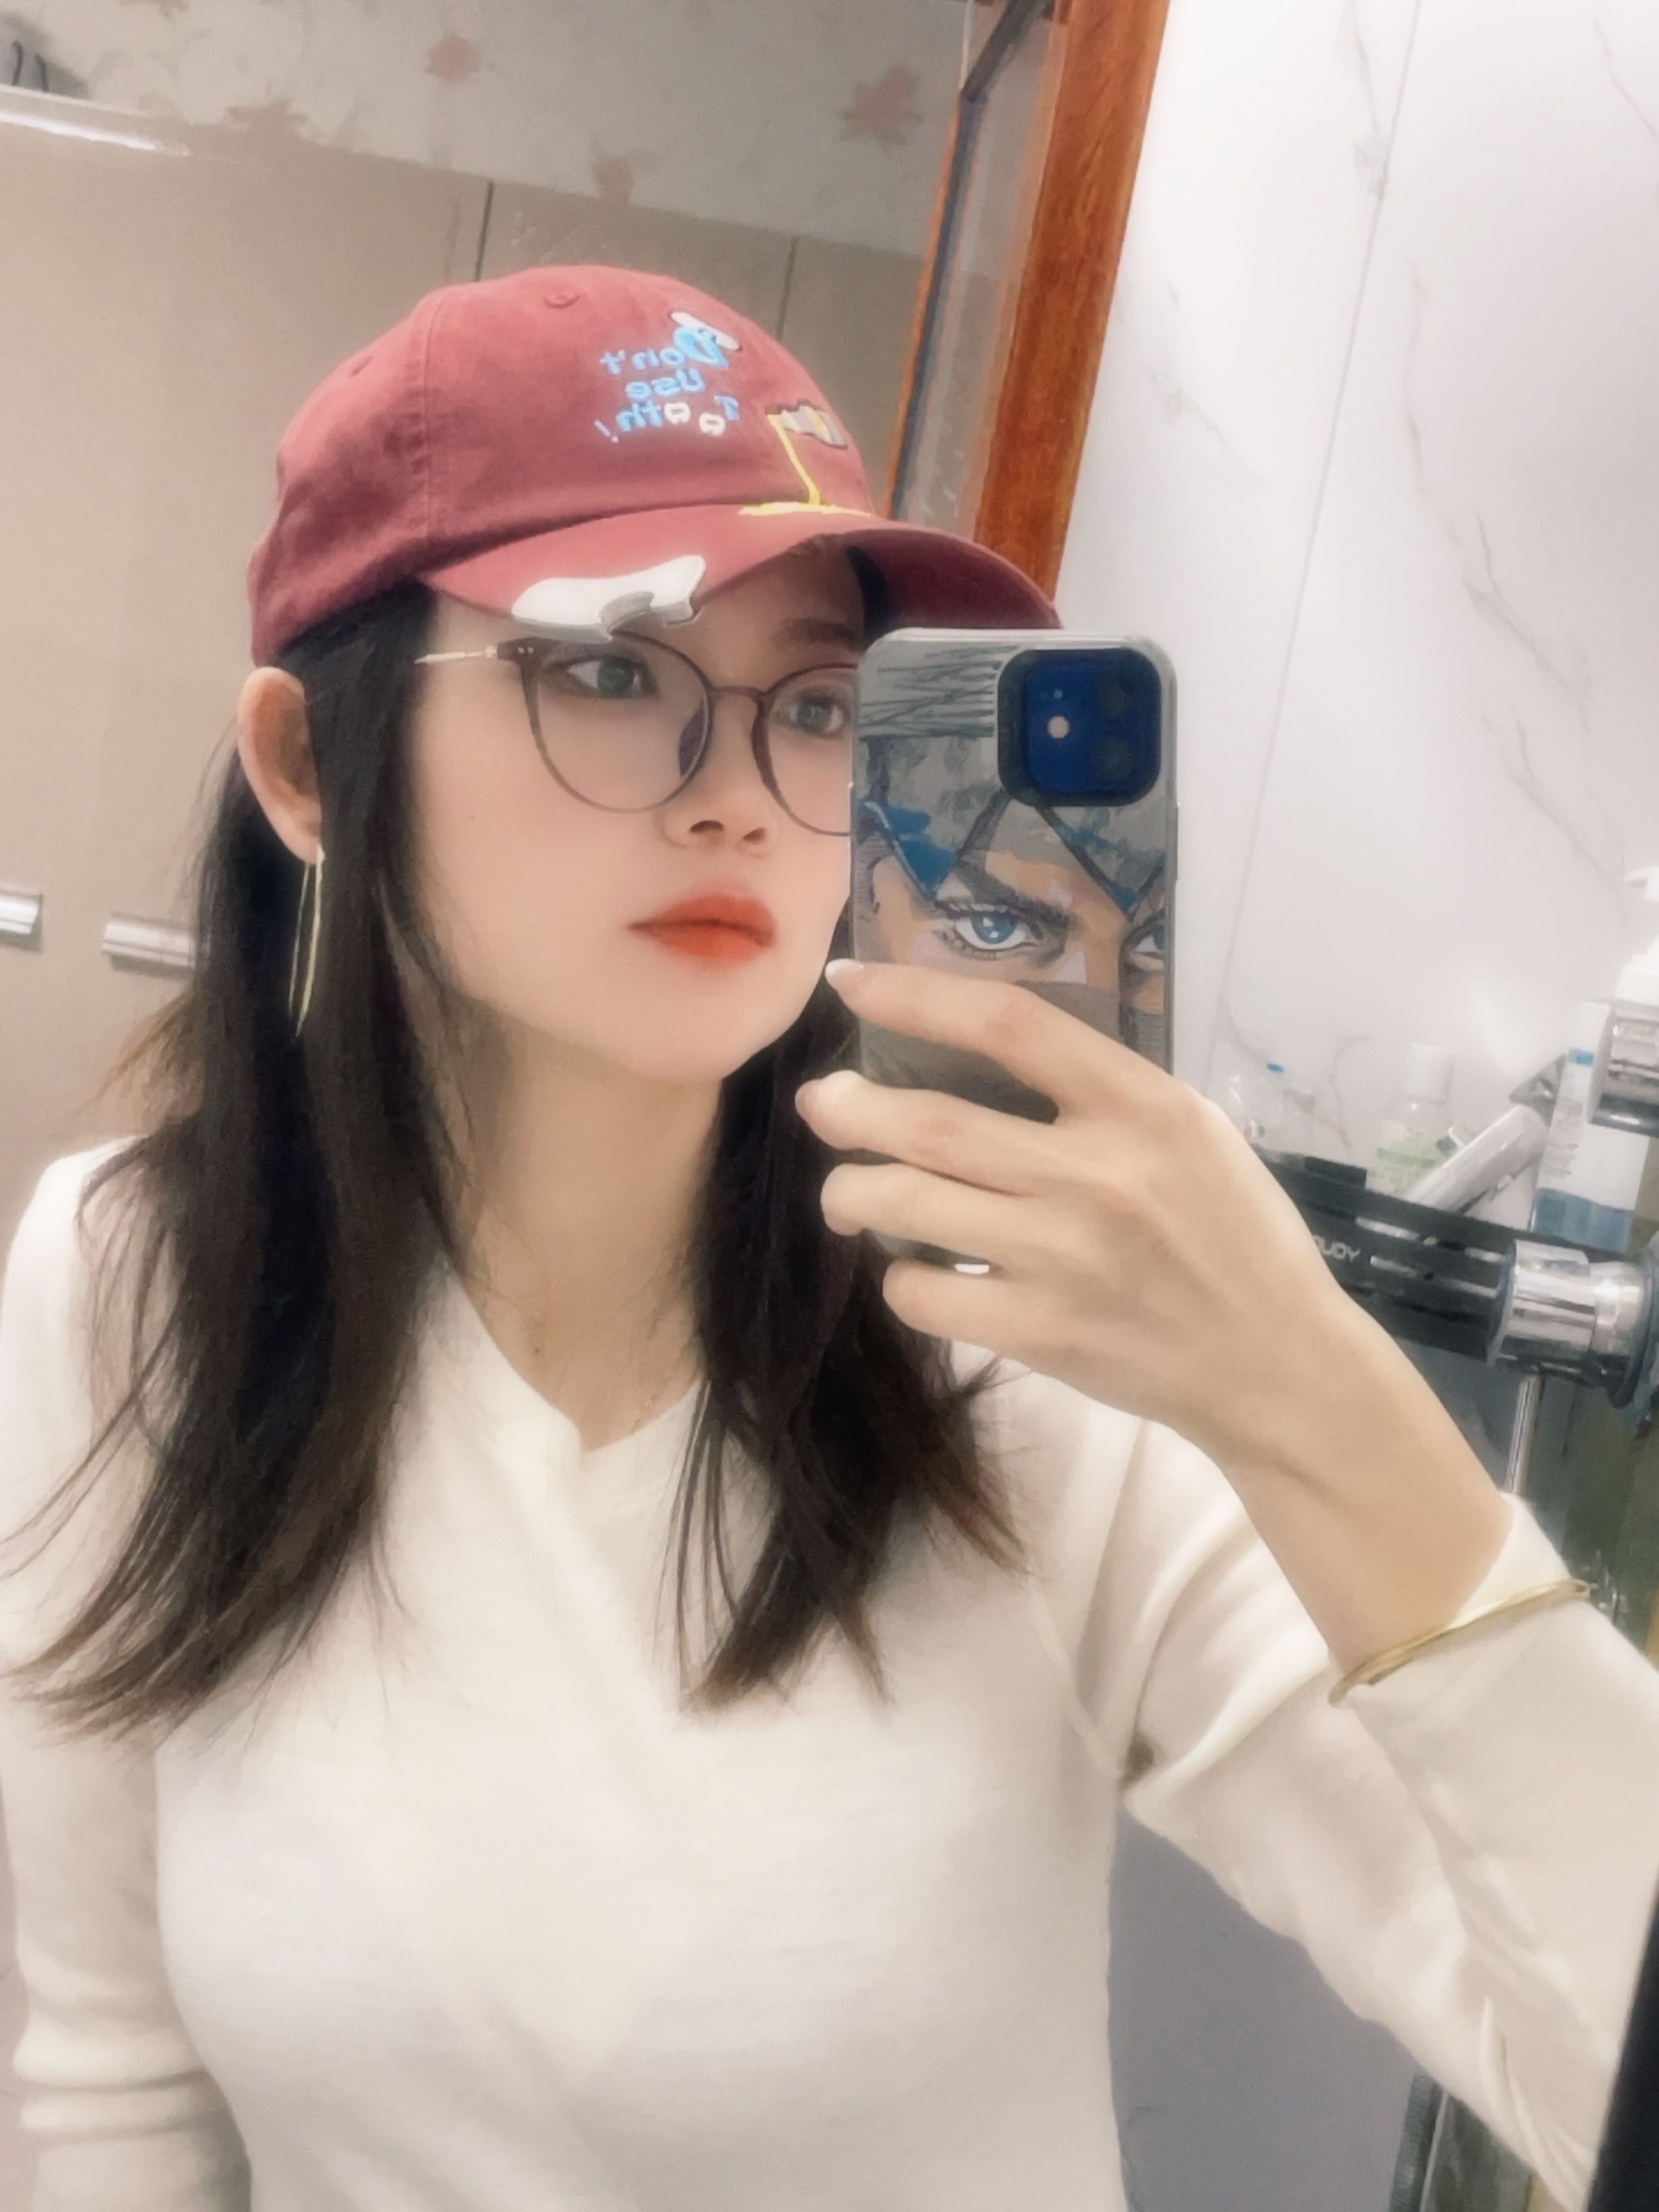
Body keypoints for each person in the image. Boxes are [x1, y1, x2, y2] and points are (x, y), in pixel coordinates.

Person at [0, 263, 1655, 2212]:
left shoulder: (1016, 1343)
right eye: (610, 672)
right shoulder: (137, 1279)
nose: (736, 803)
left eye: (814, 705)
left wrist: (1313, 1395)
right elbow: (112, 2090)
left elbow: (1596, 2075)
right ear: (303, 765)